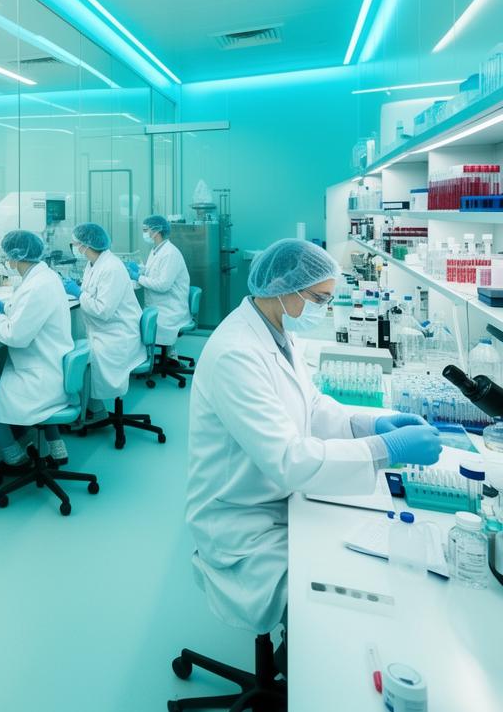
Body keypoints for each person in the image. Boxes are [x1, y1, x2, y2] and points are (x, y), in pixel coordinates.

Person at [186, 238, 442, 635]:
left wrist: (366, 425)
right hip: (242, 518)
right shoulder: (235, 354)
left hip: (276, 496)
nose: (323, 309)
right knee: (331, 601)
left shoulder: (277, 331)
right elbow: (289, 459)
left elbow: (311, 404)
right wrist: (384, 449)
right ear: (283, 289)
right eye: (320, 299)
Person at [0, 229, 74, 467]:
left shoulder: (36, 286)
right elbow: (27, 313)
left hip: (39, 376)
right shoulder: (44, 277)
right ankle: (55, 446)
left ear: (16, 256)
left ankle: (14, 455)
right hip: (51, 365)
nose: (7, 259)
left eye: (8, 255)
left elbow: (15, 335)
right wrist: (5, 307)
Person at [63, 222, 146, 422]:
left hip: (117, 336)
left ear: (86, 245)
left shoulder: (111, 267)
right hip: (105, 331)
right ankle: (94, 409)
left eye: (75, 244)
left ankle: (85, 413)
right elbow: (93, 292)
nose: (75, 247)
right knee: (77, 351)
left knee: (76, 357)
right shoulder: (94, 264)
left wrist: (78, 292)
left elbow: (103, 310)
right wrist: (78, 289)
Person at [125, 215, 192, 347]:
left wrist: (137, 277)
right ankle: (167, 355)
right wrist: (140, 270)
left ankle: (149, 359)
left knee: (134, 324)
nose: (144, 233)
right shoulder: (156, 250)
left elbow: (163, 285)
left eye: (146, 229)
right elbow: (153, 271)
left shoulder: (170, 253)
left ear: (156, 231)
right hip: (161, 305)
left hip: (170, 311)